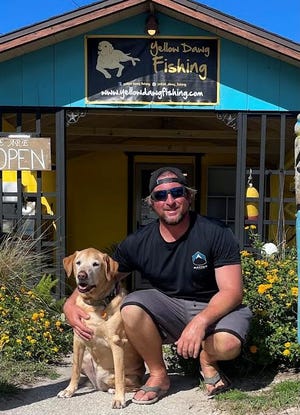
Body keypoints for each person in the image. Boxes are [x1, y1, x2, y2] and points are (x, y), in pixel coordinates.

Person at [63, 166, 252, 405]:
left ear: (189, 197)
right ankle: (158, 374)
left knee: (228, 345)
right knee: (131, 307)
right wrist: (70, 305)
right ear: (151, 203)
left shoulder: (215, 232)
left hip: (214, 307)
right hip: (169, 310)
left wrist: (199, 322)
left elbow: (232, 291)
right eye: (161, 195)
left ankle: (207, 359)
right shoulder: (139, 242)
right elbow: (104, 275)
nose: (170, 201)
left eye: (177, 192)